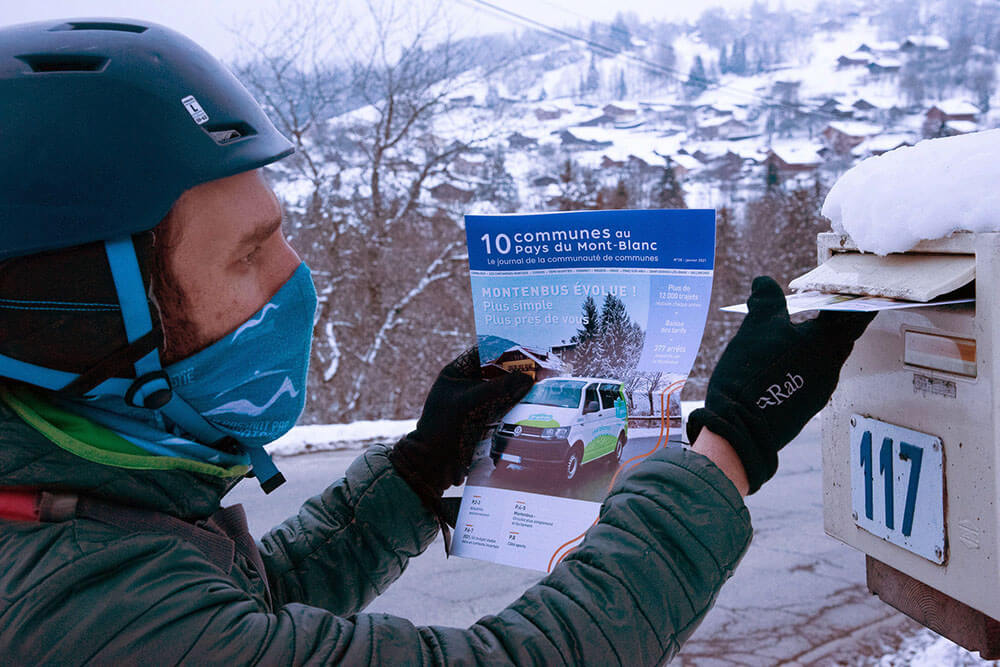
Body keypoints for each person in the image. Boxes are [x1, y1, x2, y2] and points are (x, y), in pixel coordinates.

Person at [0, 19, 874, 664]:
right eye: (249, 255)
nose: (296, 276)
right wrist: (728, 447)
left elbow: (245, 617)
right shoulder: (80, 616)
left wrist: (417, 471)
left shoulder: (73, 510)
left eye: (280, 233)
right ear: (87, 321)